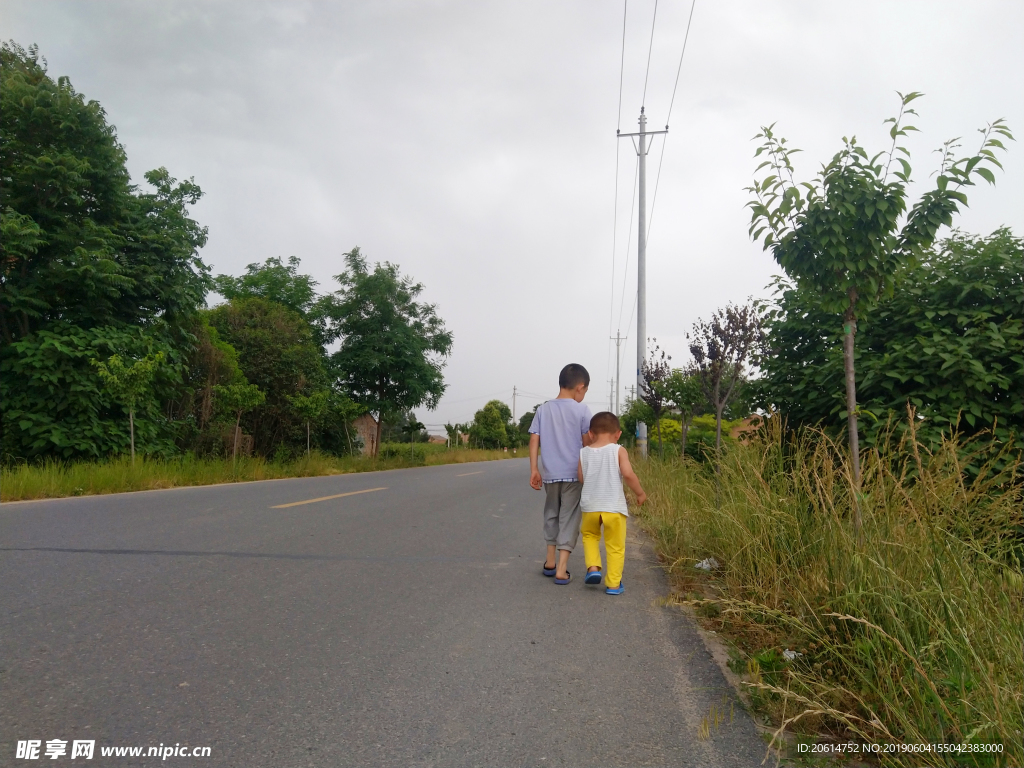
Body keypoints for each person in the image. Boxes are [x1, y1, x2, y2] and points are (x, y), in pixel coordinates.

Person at [529, 363, 593, 585]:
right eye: (585, 391)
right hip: (574, 475)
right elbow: (587, 443)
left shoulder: (543, 409)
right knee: (570, 517)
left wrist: (534, 469)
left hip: (550, 474)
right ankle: (562, 569)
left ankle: (549, 561)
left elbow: (534, 438)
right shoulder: (582, 411)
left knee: (551, 513)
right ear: (580, 387)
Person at [577, 411, 647, 595]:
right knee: (615, 546)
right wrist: (640, 493)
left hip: (590, 507)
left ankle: (593, 567)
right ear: (618, 434)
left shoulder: (583, 453)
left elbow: (581, 477)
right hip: (613, 508)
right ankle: (614, 584)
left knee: (590, 537)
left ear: (590, 433)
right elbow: (628, 474)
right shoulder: (618, 450)